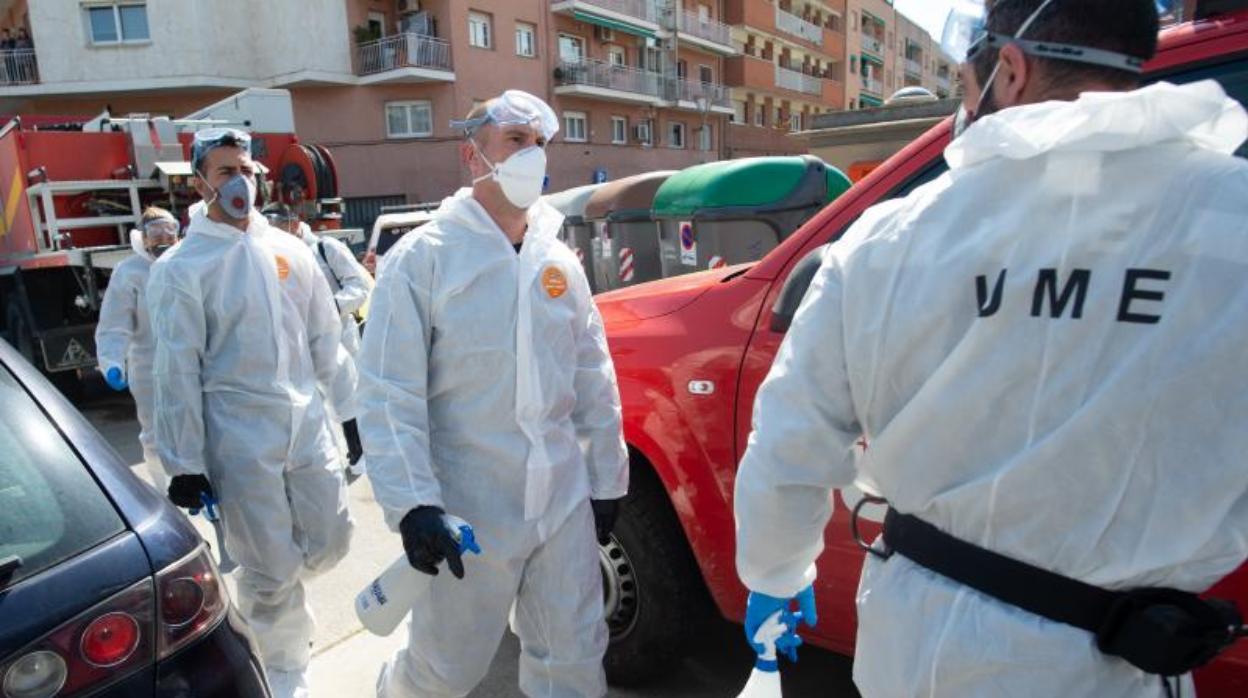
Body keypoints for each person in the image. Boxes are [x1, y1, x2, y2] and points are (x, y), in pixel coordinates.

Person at [734, 1, 1248, 696]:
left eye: (964, 82)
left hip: (920, 652)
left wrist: (775, 573)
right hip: (1119, 665)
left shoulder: (892, 235)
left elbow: (790, 444)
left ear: (1010, 68)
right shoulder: (1230, 220)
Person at [359, 90, 628, 697]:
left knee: (573, 655)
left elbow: (593, 376)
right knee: (446, 668)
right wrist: (413, 505)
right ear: (471, 153)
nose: (532, 155)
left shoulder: (558, 261)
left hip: (559, 499)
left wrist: (607, 478)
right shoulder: (423, 259)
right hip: (468, 507)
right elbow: (386, 390)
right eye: (515, 140)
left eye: (540, 143)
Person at [147, 128, 353, 698]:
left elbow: (325, 337)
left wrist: (350, 413)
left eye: (245, 169)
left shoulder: (289, 250)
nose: (240, 182)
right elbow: (176, 369)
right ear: (199, 183)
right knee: (269, 569)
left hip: (305, 424)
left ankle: (278, 592)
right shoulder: (184, 267)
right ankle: (284, 669)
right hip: (238, 434)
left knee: (333, 537)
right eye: (223, 172)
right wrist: (183, 460)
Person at [265, 203, 372, 480]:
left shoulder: (326, 249)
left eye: (278, 225)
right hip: (298, 339)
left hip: (339, 335)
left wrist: (329, 309)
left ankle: (359, 450)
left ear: (294, 222)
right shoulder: (271, 257)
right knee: (311, 403)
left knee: (349, 397)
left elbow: (358, 285)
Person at [95, 207, 179, 491]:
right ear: (141, 238)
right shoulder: (129, 272)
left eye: (170, 233)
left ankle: (199, 487)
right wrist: (112, 361)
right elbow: (114, 323)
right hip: (148, 369)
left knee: (198, 430)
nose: (163, 240)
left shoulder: (185, 265)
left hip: (190, 364)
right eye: (156, 234)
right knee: (156, 437)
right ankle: (167, 493)